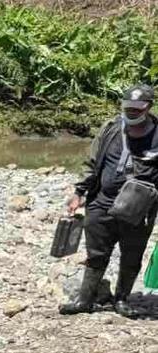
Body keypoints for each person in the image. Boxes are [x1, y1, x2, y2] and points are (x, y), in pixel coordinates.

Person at [61, 85, 158, 318]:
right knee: (96, 252)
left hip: (139, 209)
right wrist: (79, 193)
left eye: (137, 109)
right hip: (101, 202)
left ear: (149, 108)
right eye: (128, 108)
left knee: (132, 255)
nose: (132, 112)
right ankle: (84, 299)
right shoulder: (110, 129)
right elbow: (92, 163)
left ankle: (122, 299)